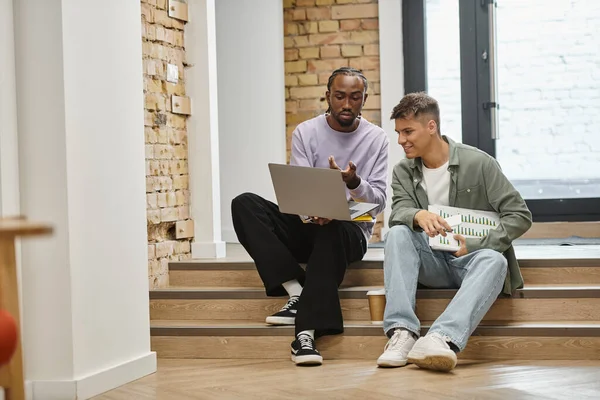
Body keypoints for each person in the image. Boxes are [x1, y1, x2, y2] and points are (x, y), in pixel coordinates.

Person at [231, 67, 389, 366]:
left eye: (355, 97)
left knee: (335, 227)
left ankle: (305, 334)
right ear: (327, 96)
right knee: (245, 204)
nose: (346, 104)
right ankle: (295, 290)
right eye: (339, 96)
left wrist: (353, 183)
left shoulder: (376, 138)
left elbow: (378, 202)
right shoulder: (306, 131)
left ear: (364, 99)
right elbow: (299, 191)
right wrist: (312, 211)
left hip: (350, 231)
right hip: (309, 224)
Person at [376, 92, 532, 372]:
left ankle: (439, 338)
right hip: (431, 261)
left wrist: (474, 245)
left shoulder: (479, 163)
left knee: (496, 261)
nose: (401, 140)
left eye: (408, 131)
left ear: (431, 127)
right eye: (398, 132)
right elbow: (398, 212)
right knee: (398, 233)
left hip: (468, 262)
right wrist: (418, 214)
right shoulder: (402, 171)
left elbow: (520, 215)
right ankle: (402, 333)